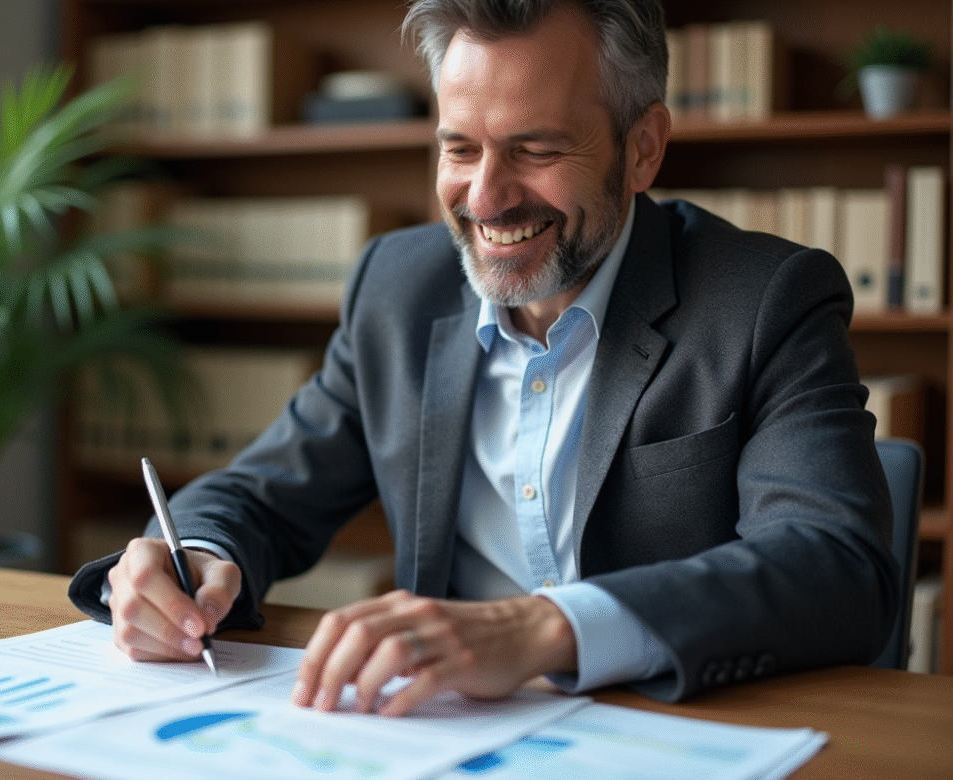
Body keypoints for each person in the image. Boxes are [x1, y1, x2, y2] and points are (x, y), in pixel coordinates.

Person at [69, 0, 899, 714]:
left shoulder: (766, 299)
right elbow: (266, 492)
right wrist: (197, 558)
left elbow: (836, 567)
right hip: (446, 736)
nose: (487, 196)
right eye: (460, 149)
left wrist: (544, 627)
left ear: (643, 148)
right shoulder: (398, 287)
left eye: (536, 150)